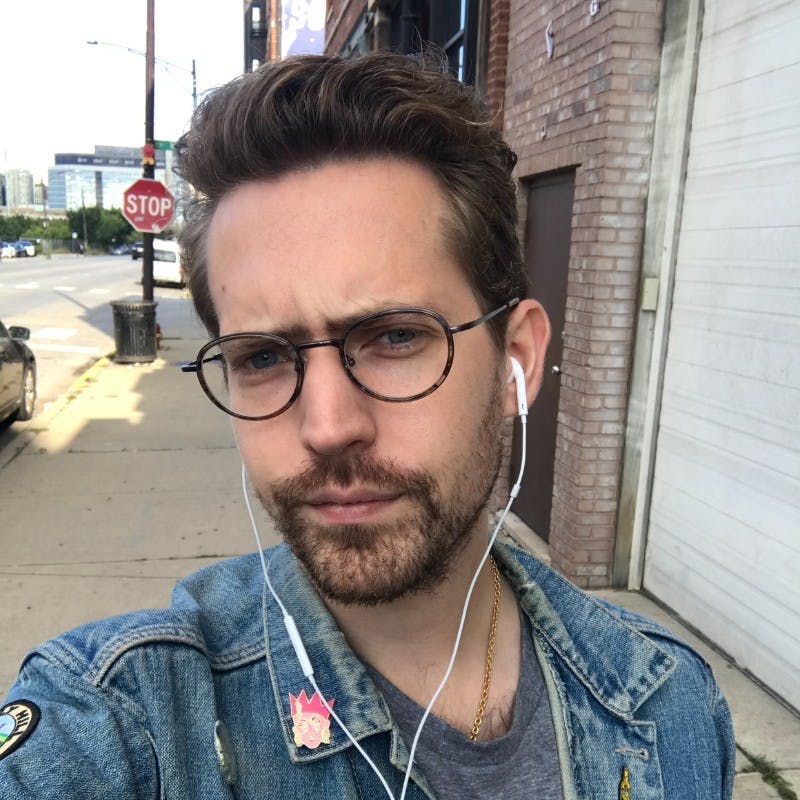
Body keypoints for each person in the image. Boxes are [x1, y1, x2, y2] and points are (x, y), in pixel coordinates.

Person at [0, 52, 734, 799]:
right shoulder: (124, 721)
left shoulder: (668, 702)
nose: (326, 426)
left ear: (515, 359)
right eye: (263, 357)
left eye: (393, 338)